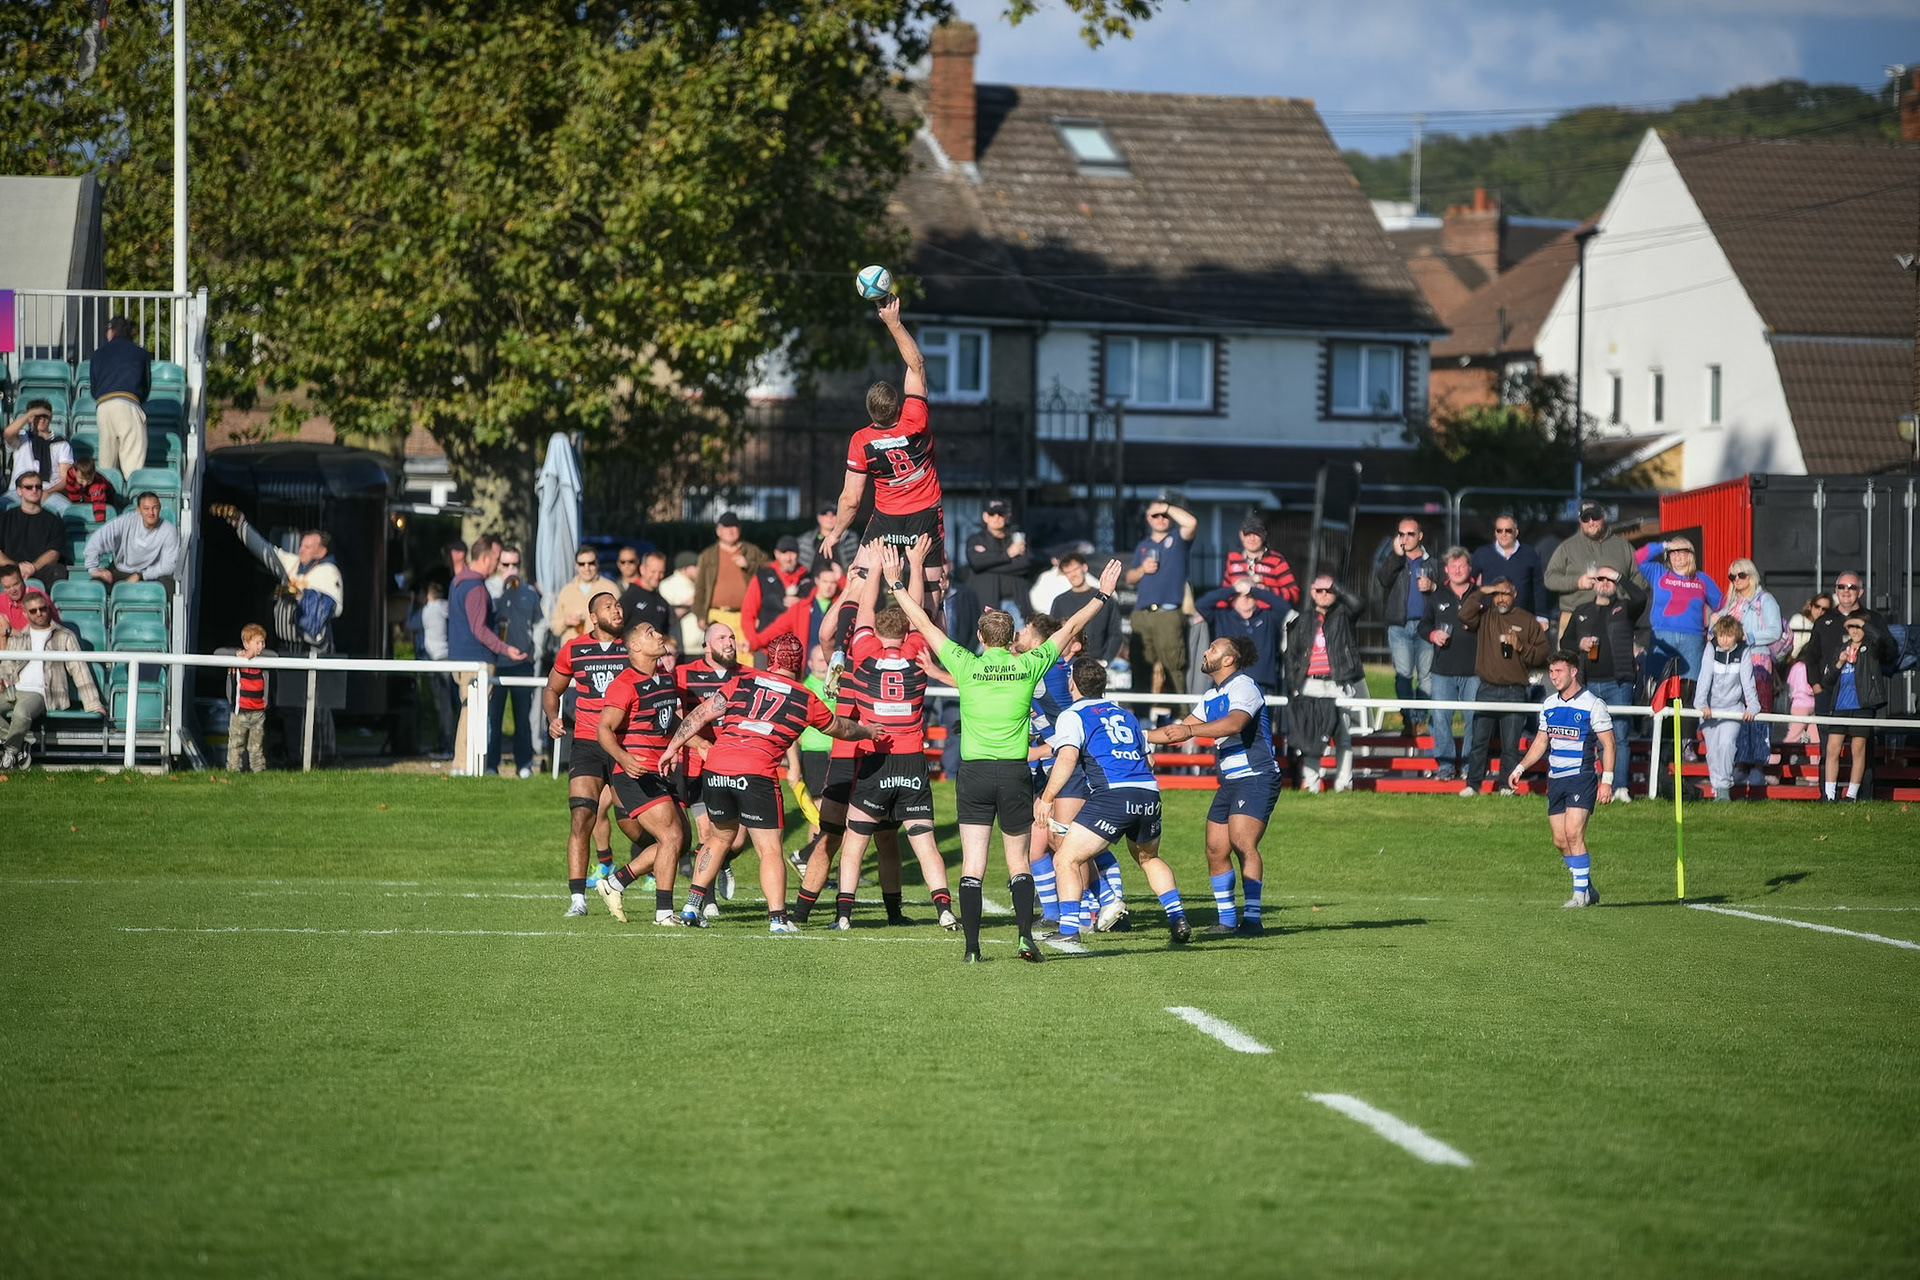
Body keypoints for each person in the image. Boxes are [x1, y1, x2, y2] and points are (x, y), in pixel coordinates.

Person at [890, 535, 1123, 962]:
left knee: (973, 864)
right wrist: (1102, 594)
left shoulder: (966, 662)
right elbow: (1070, 628)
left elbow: (922, 625)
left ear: (979, 636)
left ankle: (973, 948)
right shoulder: (1028, 664)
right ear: (1013, 636)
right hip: (1014, 773)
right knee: (1018, 861)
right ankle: (1025, 938)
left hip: (974, 772)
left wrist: (897, 584)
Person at [666, 631, 881, 931]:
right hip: (756, 771)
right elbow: (841, 729)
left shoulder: (741, 680)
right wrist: (868, 731)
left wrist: (672, 747)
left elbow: (701, 714)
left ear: (769, 658)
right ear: (799, 661)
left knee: (718, 838)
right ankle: (778, 919)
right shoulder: (805, 697)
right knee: (769, 849)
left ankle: (691, 906)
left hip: (716, 767)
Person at [828, 545, 957, 931]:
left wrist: (870, 572)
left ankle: (845, 915)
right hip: (912, 759)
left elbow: (865, 612)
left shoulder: (864, 652)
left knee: (855, 844)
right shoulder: (918, 652)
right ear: (905, 631)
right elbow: (918, 613)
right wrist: (915, 565)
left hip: (875, 756)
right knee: (923, 842)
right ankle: (944, 910)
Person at [1036, 657, 1192, 947]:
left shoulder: (1074, 714)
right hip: (1148, 794)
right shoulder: (1126, 715)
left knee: (1066, 857)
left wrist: (1046, 798)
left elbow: (1067, 757)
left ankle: (1069, 927)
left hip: (1113, 794)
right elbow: (1150, 759)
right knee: (1149, 858)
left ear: (1072, 683)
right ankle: (1177, 917)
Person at [1146, 634, 1278, 936]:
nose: (1206, 652)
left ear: (1228, 659)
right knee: (1215, 849)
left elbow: (1235, 724)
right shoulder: (1212, 694)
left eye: (1212, 649)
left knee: (1243, 842)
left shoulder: (1243, 686)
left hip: (1256, 776)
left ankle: (1253, 920)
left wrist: (1190, 729)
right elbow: (1178, 732)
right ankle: (1227, 920)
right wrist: (1137, 737)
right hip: (1231, 781)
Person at [821, 296, 948, 590]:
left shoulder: (862, 440)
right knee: (931, 598)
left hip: (887, 520)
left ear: (870, 411)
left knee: (857, 587)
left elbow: (851, 500)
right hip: (924, 516)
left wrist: (836, 533)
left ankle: (851, 634)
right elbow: (916, 365)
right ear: (898, 406)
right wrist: (894, 323)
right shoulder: (915, 418)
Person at [592, 621, 692, 925]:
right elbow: (603, 729)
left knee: (681, 841)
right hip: (634, 772)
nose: (659, 635)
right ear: (635, 646)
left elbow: (669, 721)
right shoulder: (625, 683)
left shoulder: (664, 677)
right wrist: (624, 758)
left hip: (660, 769)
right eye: (650, 633)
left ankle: (615, 882)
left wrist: (696, 743)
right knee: (671, 836)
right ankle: (664, 914)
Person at [1505, 651, 1616, 908]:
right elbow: (1541, 741)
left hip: (1582, 776)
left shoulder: (1593, 704)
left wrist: (1607, 781)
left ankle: (1579, 897)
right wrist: (1520, 768)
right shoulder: (1549, 704)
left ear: (1573, 671)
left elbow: (1609, 744)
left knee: (1573, 833)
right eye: (1551, 672)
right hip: (1556, 779)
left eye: (1559, 671)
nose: (1553, 677)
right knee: (1560, 840)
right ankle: (1586, 885)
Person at [544, 591, 628, 915]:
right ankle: (578, 899)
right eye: (609, 607)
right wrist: (554, 719)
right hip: (588, 745)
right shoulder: (575, 648)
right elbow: (553, 689)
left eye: (618, 605)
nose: (616, 610)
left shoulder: (633, 647)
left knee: (632, 823)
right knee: (581, 817)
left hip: (624, 744)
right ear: (593, 617)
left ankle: (633, 875)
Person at [446, 535, 529, 774]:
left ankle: (465, 765)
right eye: (495, 558)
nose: (497, 563)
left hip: (461, 657)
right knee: (472, 714)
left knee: (468, 711)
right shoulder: (476, 588)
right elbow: (478, 629)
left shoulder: (458, 582)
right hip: (476, 660)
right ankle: (463, 766)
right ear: (484, 558)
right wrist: (506, 649)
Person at [1458, 577, 1548, 796]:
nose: (1500, 599)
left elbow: (1543, 654)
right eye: (1496, 594)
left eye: (1505, 593)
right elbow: (1463, 614)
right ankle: (1473, 784)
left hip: (1514, 690)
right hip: (1486, 688)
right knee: (1479, 741)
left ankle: (1507, 786)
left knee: (1510, 744)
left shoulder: (1527, 620)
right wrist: (1483, 590)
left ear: (1514, 594)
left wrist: (1521, 647)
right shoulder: (1485, 617)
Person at [213, 506, 344, 653]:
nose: (301, 549)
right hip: (284, 646)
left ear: (321, 552)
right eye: (301, 545)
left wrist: (299, 596)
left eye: (307, 547)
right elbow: (264, 550)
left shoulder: (329, 573)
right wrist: (240, 524)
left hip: (311, 650)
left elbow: (328, 609)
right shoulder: (292, 563)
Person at [1565, 567, 1647, 799]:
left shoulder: (1625, 608)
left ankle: (1620, 787)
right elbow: (1565, 641)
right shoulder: (1582, 611)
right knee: (1585, 738)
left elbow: (1641, 597)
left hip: (1618, 683)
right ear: (1593, 583)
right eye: (1601, 578)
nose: (1605, 582)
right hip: (1586, 684)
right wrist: (1579, 643)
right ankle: (1585, 785)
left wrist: (1619, 576)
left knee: (1618, 736)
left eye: (1610, 579)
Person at [0, 591, 105, 769]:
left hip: (42, 692)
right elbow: (8, 665)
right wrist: (2, 679)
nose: (39, 613)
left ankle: (10, 753)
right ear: (25, 614)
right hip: (14, 689)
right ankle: (20, 746)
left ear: (49, 609)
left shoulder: (64, 636)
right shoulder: (19, 637)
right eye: (33, 611)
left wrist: (93, 703)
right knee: (17, 709)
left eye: (42, 609)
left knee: (20, 712)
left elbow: (79, 669)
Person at [1283, 575, 1363, 794]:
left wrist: (1335, 585)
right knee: (1312, 736)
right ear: (1311, 592)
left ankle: (1344, 784)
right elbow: (1292, 656)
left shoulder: (1344, 615)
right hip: (1311, 685)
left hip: (1338, 682)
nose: (1324, 594)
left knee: (1343, 736)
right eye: (1319, 590)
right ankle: (1312, 783)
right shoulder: (1302, 620)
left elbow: (1358, 603)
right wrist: (1294, 686)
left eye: (1328, 591)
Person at [1714, 557, 1782, 790]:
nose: (1736, 580)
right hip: (1733, 663)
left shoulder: (1765, 600)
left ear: (1751, 575)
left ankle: (1758, 765)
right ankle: (1740, 763)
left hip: (1758, 661)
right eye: (1732, 576)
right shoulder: (1731, 603)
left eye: (1741, 575)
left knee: (1758, 711)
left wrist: (1748, 637)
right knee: (1736, 711)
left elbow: (1775, 631)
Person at [1818, 611, 1897, 802]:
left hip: (1862, 705)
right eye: (1850, 626)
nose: (1854, 630)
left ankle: (1851, 795)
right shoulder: (1841, 648)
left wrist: (1863, 623)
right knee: (1832, 749)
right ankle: (1829, 795)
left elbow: (1880, 639)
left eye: (1858, 627)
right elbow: (1827, 681)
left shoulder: (1871, 648)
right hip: (1840, 706)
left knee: (1858, 749)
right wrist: (1839, 662)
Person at [1125, 499, 1199, 703]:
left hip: (1168, 612)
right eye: (1155, 515)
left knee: (1174, 665)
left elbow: (1191, 523)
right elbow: (1129, 577)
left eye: (1164, 516)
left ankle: (1180, 718)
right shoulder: (1143, 545)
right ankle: (1141, 717)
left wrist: (1165, 507)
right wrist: (1142, 569)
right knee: (1141, 665)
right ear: (1148, 518)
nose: (1160, 519)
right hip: (1142, 613)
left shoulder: (1178, 538)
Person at [1418, 547, 1481, 783]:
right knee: (1441, 719)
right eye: (1453, 566)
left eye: (1461, 566)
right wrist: (1433, 634)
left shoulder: (1481, 596)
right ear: (1446, 569)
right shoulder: (1437, 596)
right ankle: (1445, 766)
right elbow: (1422, 626)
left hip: (1474, 671)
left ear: (1469, 568)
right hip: (1443, 670)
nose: (1457, 570)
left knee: (1472, 719)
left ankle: (1467, 765)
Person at [1544, 503, 1648, 635]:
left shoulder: (1622, 546)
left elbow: (1641, 575)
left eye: (1595, 517)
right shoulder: (1567, 547)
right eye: (1586, 518)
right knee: (1569, 656)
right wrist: (1577, 582)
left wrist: (1623, 596)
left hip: (1616, 616)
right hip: (1574, 617)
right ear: (1580, 521)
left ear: (1603, 517)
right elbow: (1549, 579)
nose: (1591, 522)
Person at [1376, 517, 1436, 737]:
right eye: (1401, 534)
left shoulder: (1432, 563)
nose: (1405, 538)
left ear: (1420, 536)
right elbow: (1382, 579)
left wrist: (1433, 586)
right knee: (1403, 676)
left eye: (1410, 534)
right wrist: (1396, 556)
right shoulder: (1394, 560)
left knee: (1426, 676)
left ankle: (1419, 721)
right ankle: (1407, 719)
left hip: (1425, 626)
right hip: (1399, 626)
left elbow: (1443, 594)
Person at [1635, 534, 1721, 685]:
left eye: (1682, 551)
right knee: (1655, 684)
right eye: (1673, 552)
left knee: (1690, 686)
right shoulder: (1658, 572)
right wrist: (1663, 546)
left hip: (1692, 639)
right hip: (1661, 636)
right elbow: (1638, 557)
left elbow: (1722, 606)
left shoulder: (1702, 579)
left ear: (1691, 554)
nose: (1676, 556)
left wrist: (1713, 630)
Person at [491, 548, 543, 777]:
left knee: (523, 717)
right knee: (494, 716)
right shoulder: (489, 589)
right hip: (495, 662)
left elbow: (540, 623)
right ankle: (491, 764)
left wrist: (536, 650)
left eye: (515, 564)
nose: (511, 569)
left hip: (523, 663)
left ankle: (524, 763)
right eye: (505, 564)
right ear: (497, 565)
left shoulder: (529, 593)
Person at [1696, 615, 1761, 801]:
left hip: (1733, 709)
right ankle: (1718, 789)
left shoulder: (1744, 651)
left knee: (1727, 745)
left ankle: (1724, 790)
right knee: (1713, 752)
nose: (1724, 639)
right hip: (1710, 710)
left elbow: (1748, 681)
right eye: (1721, 635)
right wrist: (1701, 703)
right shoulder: (1710, 648)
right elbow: (1704, 677)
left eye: (1729, 635)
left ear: (1737, 635)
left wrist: (1753, 706)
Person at [1193, 576, 1288, 695]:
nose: (1245, 598)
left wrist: (1255, 590)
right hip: (1227, 683)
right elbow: (1201, 604)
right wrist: (1232, 590)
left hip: (1262, 684)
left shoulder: (1269, 617)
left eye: (1249, 595)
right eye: (1239, 595)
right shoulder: (1221, 616)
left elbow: (1284, 608)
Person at [89, 315, 153, 477]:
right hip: (128, 404)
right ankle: (132, 499)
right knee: (133, 464)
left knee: (106, 464)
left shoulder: (98, 354)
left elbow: (94, 389)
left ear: (111, 332)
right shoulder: (140, 353)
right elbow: (146, 386)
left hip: (103, 407)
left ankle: (107, 499)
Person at [692, 512, 767, 642]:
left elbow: (768, 573)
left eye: (734, 527)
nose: (730, 531)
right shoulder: (708, 555)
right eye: (726, 527)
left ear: (740, 530)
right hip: (717, 615)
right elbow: (700, 587)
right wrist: (700, 615)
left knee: (745, 658)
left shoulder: (752, 551)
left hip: (746, 616)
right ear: (718, 531)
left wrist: (749, 565)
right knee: (719, 656)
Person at [83, 492, 180, 591]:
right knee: (96, 585)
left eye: (155, 508)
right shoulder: (126, 521)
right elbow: (98, 539)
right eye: (146, 508)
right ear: (138, 510)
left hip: (150, 575)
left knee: (168, 586)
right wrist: (92, 568)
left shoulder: (169, 531)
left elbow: (169, 565)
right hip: (121, 570)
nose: (151, 513)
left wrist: (141, 575)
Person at [1471, 513, 1547, 626]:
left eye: (1508, 530)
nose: (1503, 534)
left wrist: (1541, 616)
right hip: (1490, 618)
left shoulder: (1530, 553)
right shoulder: (1481, 554)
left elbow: (1538, 587)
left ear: (1516, 532)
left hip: (1523, 618)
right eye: (1499, 530)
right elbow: (1470, 584)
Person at [963, 499, 1032, 624]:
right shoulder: (976, 539)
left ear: (1006, 516)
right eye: (992, 514)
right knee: (985, 643)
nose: (996, 518)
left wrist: (988, 562)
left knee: (1018, 642)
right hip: (986, 606)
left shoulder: (1017, 538)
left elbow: (1025, 563)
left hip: (1015, 604)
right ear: (985, 517)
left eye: (1000, 514)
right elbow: (976, 561)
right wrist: (1008, 554)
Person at [740, 536, 809, 658]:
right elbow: (748, 613)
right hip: (766, 649)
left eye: (792, 553)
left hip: (797, 651)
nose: (788, 558)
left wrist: (801, 604)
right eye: (784, 553)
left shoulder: (808, 579)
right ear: (776, 554)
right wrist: (754, 641)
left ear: (798, 555)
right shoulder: (762, 577)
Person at [1048, 551, 1122, 664]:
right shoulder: (1059, 602)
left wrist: (1106, 661)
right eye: (1068, 572)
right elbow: (1053, 635)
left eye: (1075, 569)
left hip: (1097, 662)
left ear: (1084, 567)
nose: (1073, 575)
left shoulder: (1105, 598)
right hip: (1069, 664)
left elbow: (1115, 633)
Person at [0, 472, 69, 584]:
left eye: (38, 487)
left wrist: (33, 567)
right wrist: (17, 566)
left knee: (58, 571)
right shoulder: (5, 519)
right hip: (9, 569)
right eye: (29, 487)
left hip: (40, 569)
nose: (34, 490)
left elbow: (54, 553)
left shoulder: (54, 521)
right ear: (19, 491)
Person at [4, 400, 73, 512]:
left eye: (45, 416)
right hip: (19, 491)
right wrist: (28, 415)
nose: (41, 419)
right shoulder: (21, 438)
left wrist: (48, 492)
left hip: (47, 491)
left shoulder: (61, 444)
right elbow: (8, 433)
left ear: (50, 418)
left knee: (68, 509)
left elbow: (66, 478)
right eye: (37, 416)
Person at [226, 623, 273, 773]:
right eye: (257, 643)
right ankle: (233, 771)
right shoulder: (237, 661)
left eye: (262, 642)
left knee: (256, 746)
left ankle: (258, 771)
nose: (261, 646)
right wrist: (240, 655)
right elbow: (219, 653)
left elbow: (275, 656)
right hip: (241, 712)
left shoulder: (264, 661)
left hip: (258, 713)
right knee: (236, 745)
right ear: (246, 643)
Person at [1221, 515, 1299, 605]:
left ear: (1264, 535)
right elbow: (1224, 593)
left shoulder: (1277, 560)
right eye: (1248, 534)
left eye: (1256, 534)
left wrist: (1267, 591)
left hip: (1269, 615)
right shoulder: (1233, 558)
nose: (1252, 538)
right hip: (1239, 616)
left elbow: (1294, 594)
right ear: (1241, 535)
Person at [549, 544, 617, 645]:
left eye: (591, 563)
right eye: (582, 564)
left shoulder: (611, 588)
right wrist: (565, 621)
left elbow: (619, 623)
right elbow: (554, 627)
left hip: (601, 650)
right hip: (572, 651)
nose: (587, 568)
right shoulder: (566, 591)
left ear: (597, 564)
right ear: (576, 566)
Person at [420, 582, 455, 759]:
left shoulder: (428, 610)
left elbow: (410, 624)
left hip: (434, 659)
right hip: (447, 657)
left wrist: (412, 604)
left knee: (442, 704)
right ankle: (448, 742)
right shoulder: (447, 607)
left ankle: (446, 744)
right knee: (448, 703)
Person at [616, 549, 673, 643]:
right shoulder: (629, 597)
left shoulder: (662, 603)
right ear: (642, 569)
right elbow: (617, 630)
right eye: (653, 571)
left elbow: (665, 634)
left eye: (661, 572)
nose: (657, 576)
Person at [658, 550, 702, 652]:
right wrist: (692, 602)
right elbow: (666, 616)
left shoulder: (698, 585)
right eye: (696, 566)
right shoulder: (667, 585)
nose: (700, 569)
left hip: (700, 648)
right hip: (680, 648)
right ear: (685, 568)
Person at [800, 500, 859, 575]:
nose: (829, 517)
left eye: (834, 514)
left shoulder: (850, 538)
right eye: (824, 514)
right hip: (812, 584)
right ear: (818, 517)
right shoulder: (806, 540)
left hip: (843, 581)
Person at [59, 455, 121, 524]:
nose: (85, 483)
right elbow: (72, 492)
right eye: (81, 479)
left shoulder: (97, 485)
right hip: (86, 496)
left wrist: (99, 523)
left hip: (105, 499)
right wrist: (76, 506)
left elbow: (99, 505)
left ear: (94, 474)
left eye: (89, 479)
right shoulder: (70, 475)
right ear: (74, 471)